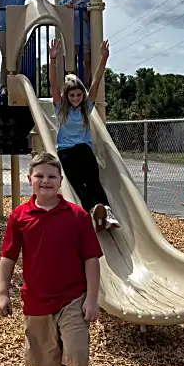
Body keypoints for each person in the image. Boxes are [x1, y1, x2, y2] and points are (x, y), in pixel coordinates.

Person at [0, 151, 104, 366]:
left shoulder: (77, 216)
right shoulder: (20, 216)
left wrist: (91, 299)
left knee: (77, 357)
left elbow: (92, 259)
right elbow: (8, 256)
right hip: (37, 302)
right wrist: (3, 292)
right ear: (30, 179)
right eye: (40, 176)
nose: (45, 181)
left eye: (52, 176)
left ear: (60, 181)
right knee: (51, 362)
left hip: (73, 299)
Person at [48, 37, 119, 232]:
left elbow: (95, 83)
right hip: (65, 151)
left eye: (79, 95)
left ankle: (105, 210)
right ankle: (92, 210)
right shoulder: (61, 109)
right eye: (72, 95)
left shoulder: (86, 108)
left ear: (83, 96)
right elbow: (53, 84)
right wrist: (52, 60)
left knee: (93, 179)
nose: (76, 98)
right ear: (66, 95)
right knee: (78, 182)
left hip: (83, 149)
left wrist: (103, 59)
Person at [58, 0, 92, 86]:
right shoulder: (64, 1)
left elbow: (93, 16)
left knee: (86, 61)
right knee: (69, 64)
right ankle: (70, 86)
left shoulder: (89, 0)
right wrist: (65, 9)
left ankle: (85, 85)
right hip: (69, 38)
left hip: (84, 36)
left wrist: (82, 9)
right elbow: (58, 14)